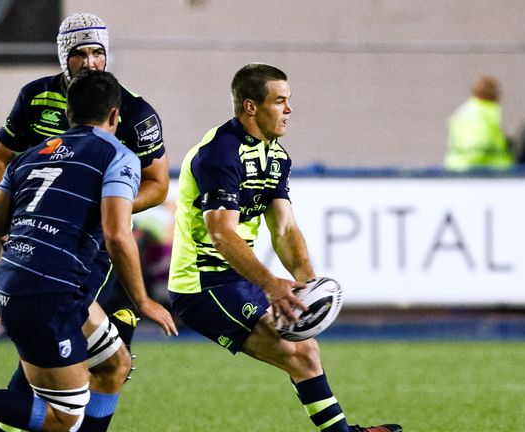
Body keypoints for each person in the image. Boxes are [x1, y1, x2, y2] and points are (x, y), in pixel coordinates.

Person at [0, 70, 173, 432]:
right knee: (63, 419)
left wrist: (1, 291)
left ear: (68, 114)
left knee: (115, 366)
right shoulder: (118, 155)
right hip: (53, 291)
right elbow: (116, 234)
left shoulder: (30, 155)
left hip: (34, 283)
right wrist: (143, 301)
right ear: (115, 115)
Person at [167, 63, 402, 432]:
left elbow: (285, 228)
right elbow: (222, 234)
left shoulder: (276, 156)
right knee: (298, 352)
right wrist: (272, 284)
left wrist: (306, 280)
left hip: (236, 279)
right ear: (250, 107)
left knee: (305, 351)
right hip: (201, 285)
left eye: (288, 101)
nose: (289, 110)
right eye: (280, 101)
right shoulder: (218, 154)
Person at [0, 12, 173, 432]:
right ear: (64, 58)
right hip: (54, 249)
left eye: (97, 52)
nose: (90, 61)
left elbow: (158, 185)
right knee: (72, 361)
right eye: (79, 53)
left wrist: (99, 206)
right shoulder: (35, 96)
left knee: (112, 361)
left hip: (92, 244)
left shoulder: (133, 111)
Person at [444, 76, 513, 171]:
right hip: (478, 177)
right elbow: (475, 152)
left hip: (463, 173)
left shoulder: (470, 112)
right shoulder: (480, 116)